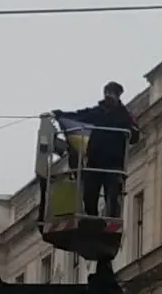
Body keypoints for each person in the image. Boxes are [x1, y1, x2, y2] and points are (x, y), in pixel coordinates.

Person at [54, 82, 140, 217]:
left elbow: (135, 136)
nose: (108, 95)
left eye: (111, 93)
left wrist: (131, 130)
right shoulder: (97, 112)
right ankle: (92, 218)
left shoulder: (124, 116)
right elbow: (79, 116)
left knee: (113, 195)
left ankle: (111, 219)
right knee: (89, 194)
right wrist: (61, 115)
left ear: (118, 96)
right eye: (106, 92)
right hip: (95, 160)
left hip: (113, 163)